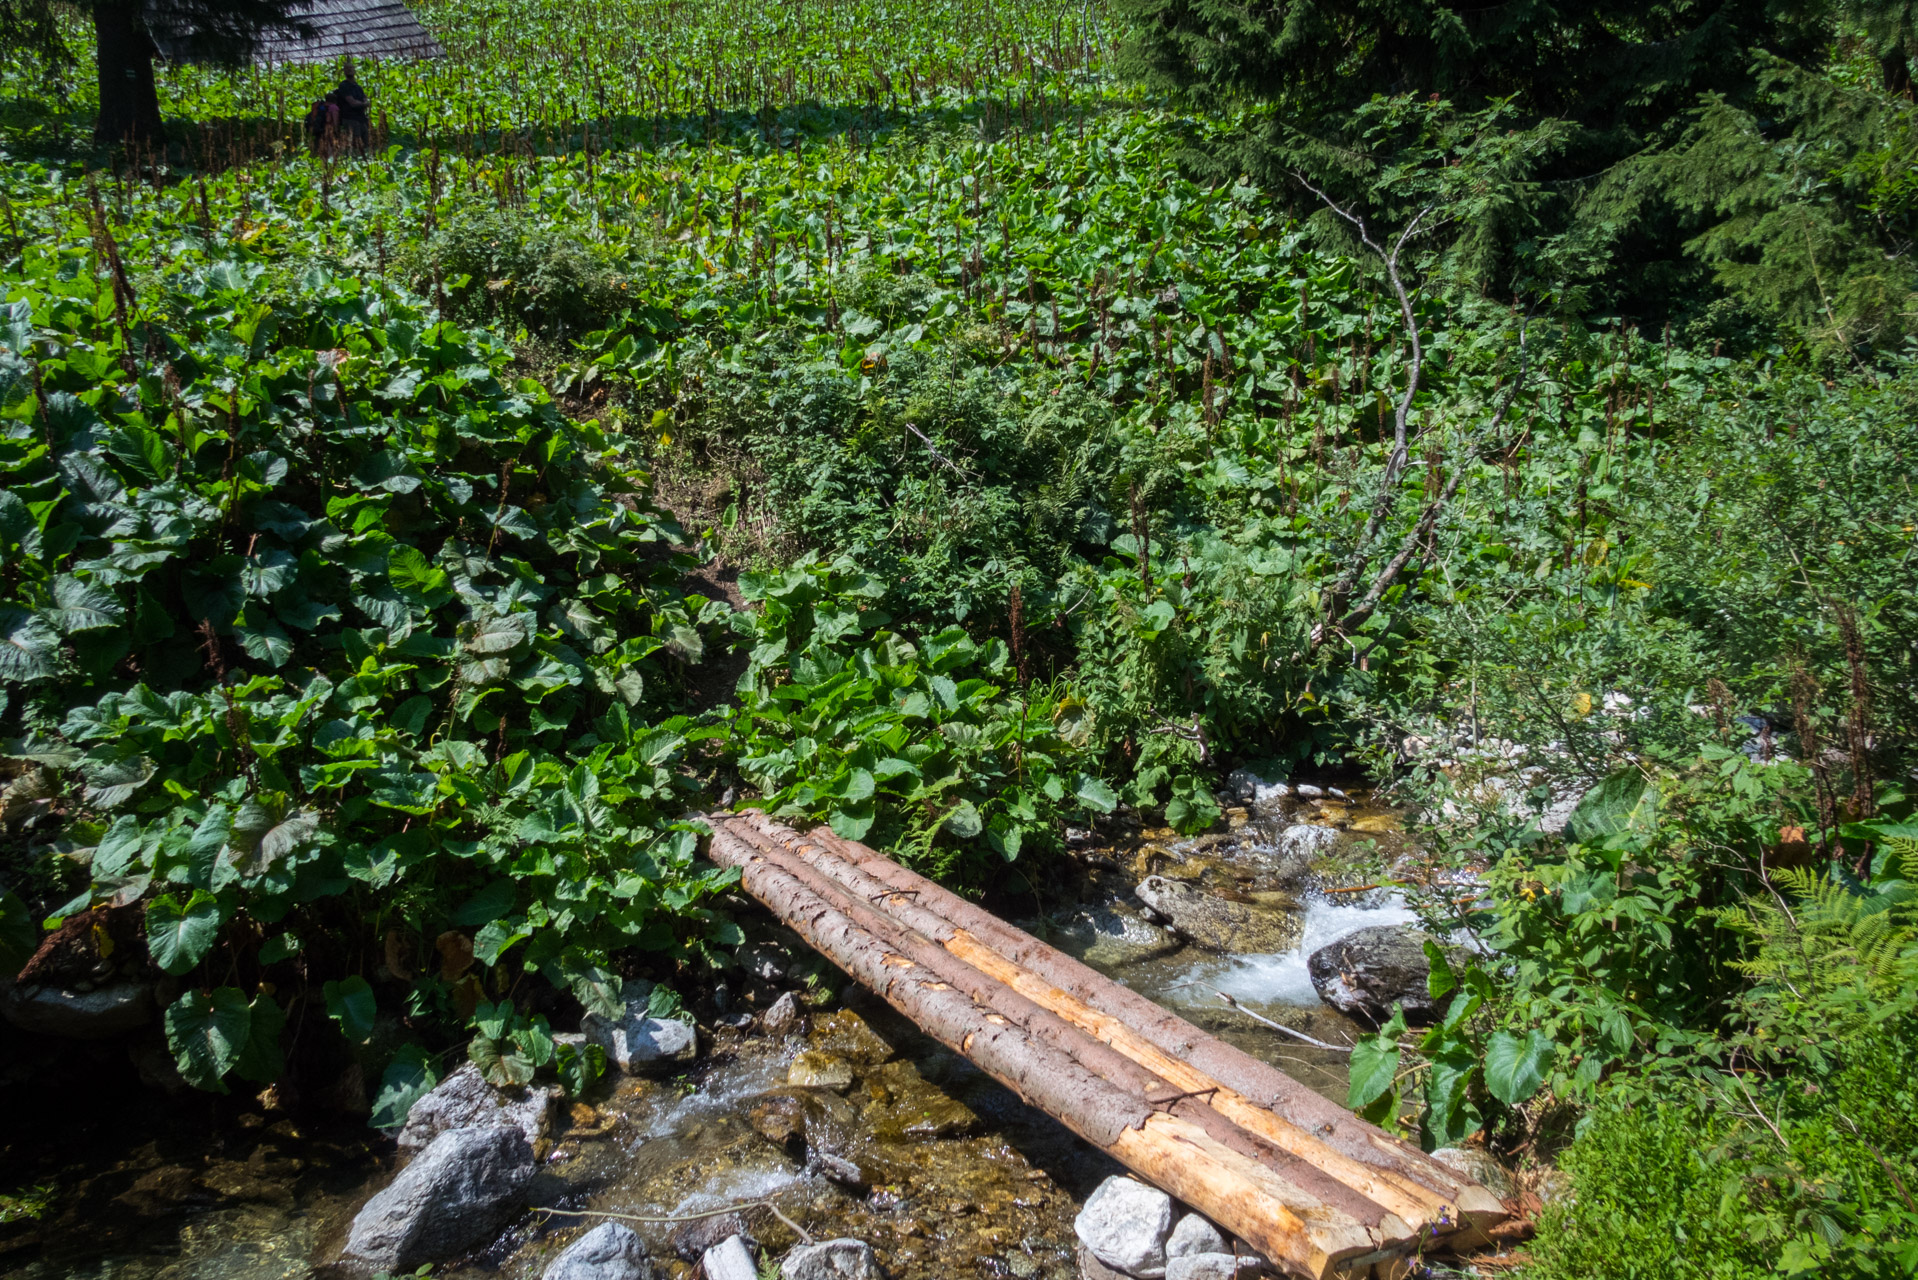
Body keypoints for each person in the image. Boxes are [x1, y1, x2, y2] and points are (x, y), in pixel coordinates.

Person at [333, 61, 370, 154]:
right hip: (350, 119)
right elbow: (352, 102)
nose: (349, 70)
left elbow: (365, 99)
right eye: (347, 68)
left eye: (351, 68)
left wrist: (362, 103)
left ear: (354, 70)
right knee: (355, 144)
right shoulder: (343, 85)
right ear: (344, 72)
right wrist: (364, 104)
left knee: (366, 143)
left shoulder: (358, 87)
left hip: (361, 118)